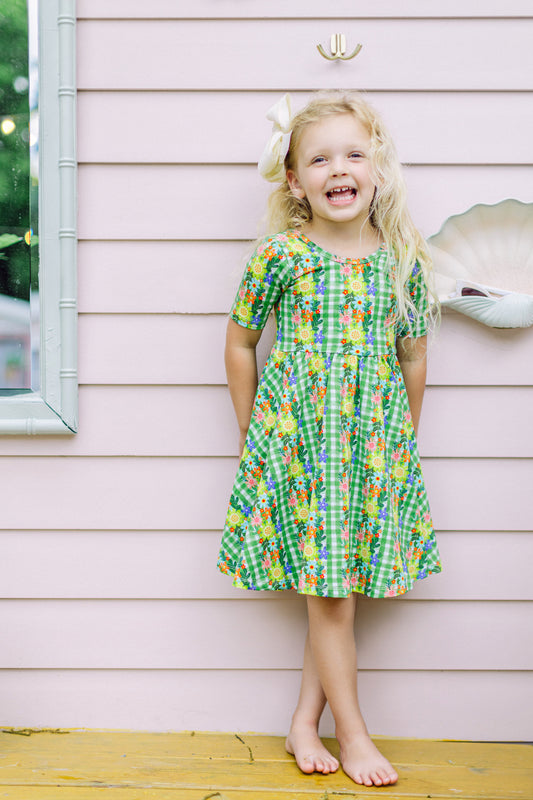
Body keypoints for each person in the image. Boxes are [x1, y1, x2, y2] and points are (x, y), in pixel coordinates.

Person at [217, 91, 442, 787]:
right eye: (318, 158)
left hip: (369, 457)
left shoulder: (400, 259)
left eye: (352, 153)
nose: (337, 169)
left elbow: (412, 357)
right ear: (293, 180)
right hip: (299, 451)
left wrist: (398, 445)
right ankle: (353, 734)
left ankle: (299, 722)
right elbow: (238, 342)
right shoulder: (281, 257)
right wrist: (254, 433)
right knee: (332, 596)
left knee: (333, 589)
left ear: (376, 168)